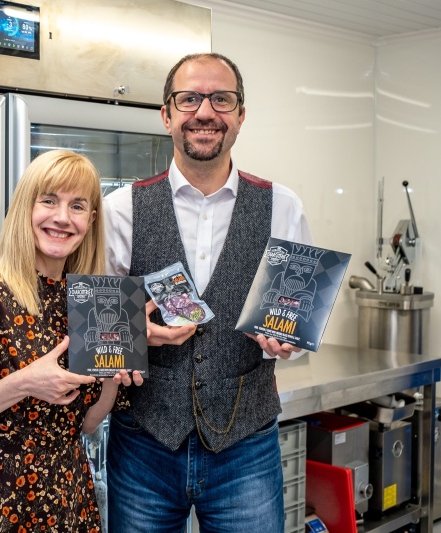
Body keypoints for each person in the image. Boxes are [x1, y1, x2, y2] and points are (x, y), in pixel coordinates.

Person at [103, 52, 312, 532]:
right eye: (189, 98)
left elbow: (295, 326)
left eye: (221, 99)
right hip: (143, 446)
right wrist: (142, 336)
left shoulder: (283, 206)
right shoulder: (120, 209)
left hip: (247, 447)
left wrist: (290, 345)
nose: (204, 112)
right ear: (166, 114)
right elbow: (98, 337)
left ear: (240, 115)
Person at [0, 149, 142, 533]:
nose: (61, 217)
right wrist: (25, 383)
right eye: (49, 201)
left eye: (77, 206)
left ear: (90, 221)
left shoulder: (95, 300)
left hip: (69, 500)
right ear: (26, 208)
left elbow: (86, 424)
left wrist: (111, 378)